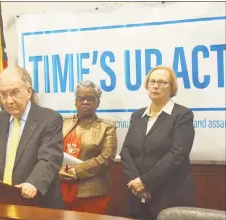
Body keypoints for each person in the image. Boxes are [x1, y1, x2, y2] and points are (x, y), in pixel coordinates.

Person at [0, 66, 64, 209]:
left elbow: (49, 159)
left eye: (14, 93)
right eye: (3, 94)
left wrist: (33, 183)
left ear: (29, 91)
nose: (9, 100)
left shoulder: (49, 119)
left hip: (36, 204)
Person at [120, 65, 195, 220]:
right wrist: (137, 184)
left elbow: (177, 155)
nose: (155, 86)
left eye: (162, 82)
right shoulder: (137, 115)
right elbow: (126, 151)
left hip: (169, 196)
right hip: (138, 196)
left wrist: (145, 182)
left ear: (172, 88)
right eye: (152, 81)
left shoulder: (182, 115)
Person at [59, 80, 117, 214]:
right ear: (76, 101)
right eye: (81, 98)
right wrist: (58, 170)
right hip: (61, 190)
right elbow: (51, 151)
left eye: (90, 99)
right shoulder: (62, 123)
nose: (85, 102)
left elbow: (106, 158)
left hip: (92, 194)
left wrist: (76, 171)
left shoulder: (106, 127)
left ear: (98, 102)